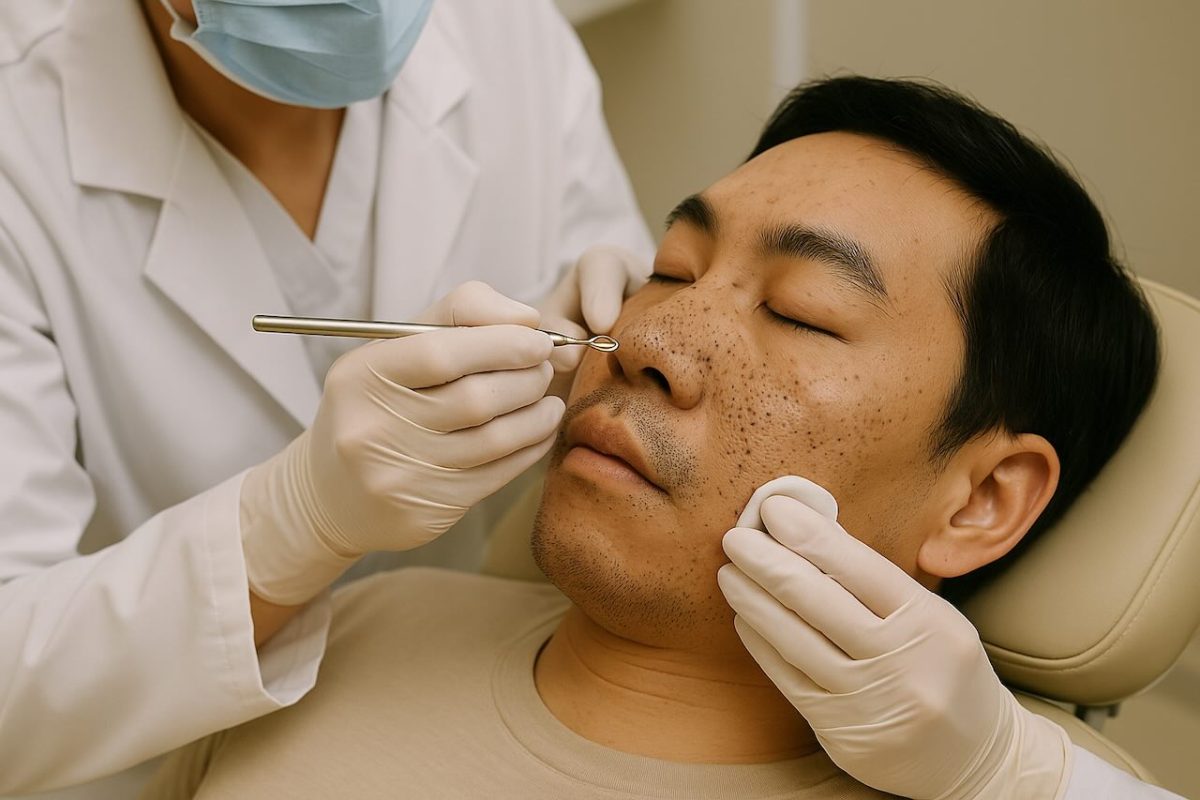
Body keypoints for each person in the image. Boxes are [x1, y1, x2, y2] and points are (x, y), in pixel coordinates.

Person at [138, 77, 1177, 799]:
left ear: (981, 499)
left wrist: (1006, 774)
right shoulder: (349, 637)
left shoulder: (999, 780)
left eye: (802, 310)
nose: (647, 337)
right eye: (671, 268)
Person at [0, 0, 652, 795]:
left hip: (446, 718)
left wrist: (580, 370)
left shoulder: (504, 34)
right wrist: (291, 524)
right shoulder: (19, 129)